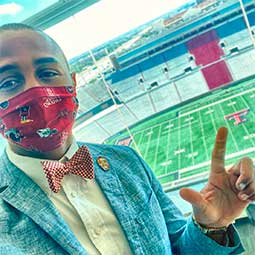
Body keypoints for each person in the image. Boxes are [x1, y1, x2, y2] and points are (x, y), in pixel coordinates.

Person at [0, 23, 254, 255]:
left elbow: (176, 246)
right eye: (9, 82)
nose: (34, 90)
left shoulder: (127, 161)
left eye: (48, 73)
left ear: (73, 83)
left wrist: (211, 226)